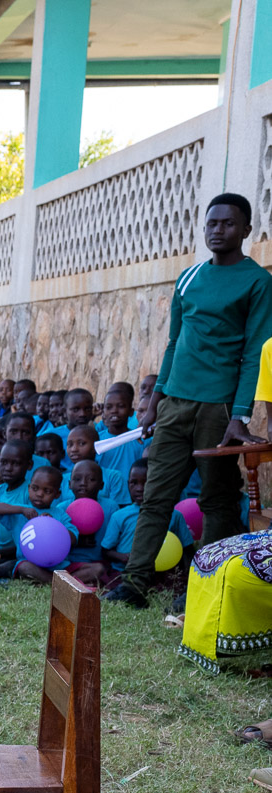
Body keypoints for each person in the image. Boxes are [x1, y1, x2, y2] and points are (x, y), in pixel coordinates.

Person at [110, 193, 272, 607]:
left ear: (246, 230)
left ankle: (204, 586)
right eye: (212, 223)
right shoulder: (188, 277)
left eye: (228, 224)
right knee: (156, 495)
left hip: (219, 409)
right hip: (174, 405)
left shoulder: (257, 282)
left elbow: (255, 351)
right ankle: (134, 584)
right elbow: (173, 343)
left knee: (216, 499)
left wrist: (239, 415)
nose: (218, 230)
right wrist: (154, 402)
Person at [103, 459, 195, 580]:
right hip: (124, 573)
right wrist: (122, 557)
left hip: (164, 573)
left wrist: (189, 576)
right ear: (128, 484)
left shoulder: (174, 515)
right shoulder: (119, 516)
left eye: (146, 482)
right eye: (134, 483)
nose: (139, 488)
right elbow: (105, 550)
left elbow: (187, 549)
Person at [0, 466, 71, 583]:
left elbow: (72, 538)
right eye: (35, 488)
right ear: (29, 488)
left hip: (58, 566)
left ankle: (54, 581)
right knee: (24, 567)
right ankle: (59, 583)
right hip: (30, 563)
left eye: (47, 491)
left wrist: (52, 525)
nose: (39, 494)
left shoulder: (61, 514)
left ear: (57, 494)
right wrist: (21, 510)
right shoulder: (22, 512)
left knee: (92, 569)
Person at [64, 461, 120, 588]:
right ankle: (68, 581)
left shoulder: (110, 507)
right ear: (69, 484)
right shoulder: (62, 508)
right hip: (70, 563)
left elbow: (115, 540)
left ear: (101, 485)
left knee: (101, 571)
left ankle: (71, 581)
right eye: (77, 479)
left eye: (91, 479)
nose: (83, 483)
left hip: (100, 563)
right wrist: (76, 541)